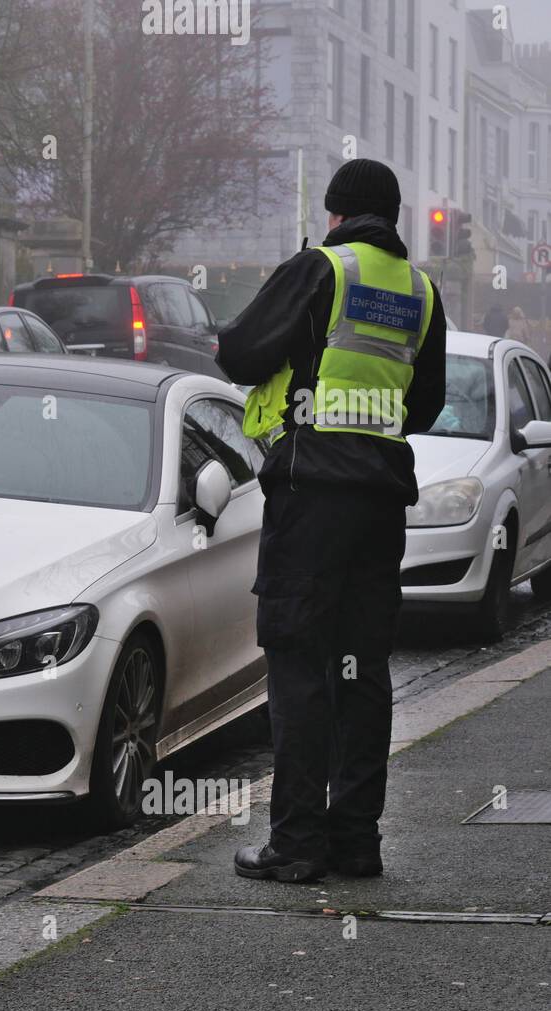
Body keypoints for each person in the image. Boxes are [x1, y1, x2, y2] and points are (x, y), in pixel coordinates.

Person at [217, 158, 446, 883]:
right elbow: (428, 403)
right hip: (381, 501)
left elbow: (239, 351)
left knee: (298, 663)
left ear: (336, 213)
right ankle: (356, 841)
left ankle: (296, 845)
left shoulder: (322, 268)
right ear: (396, 218)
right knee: (362, 669)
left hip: (311, 494)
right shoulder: (420, 290)